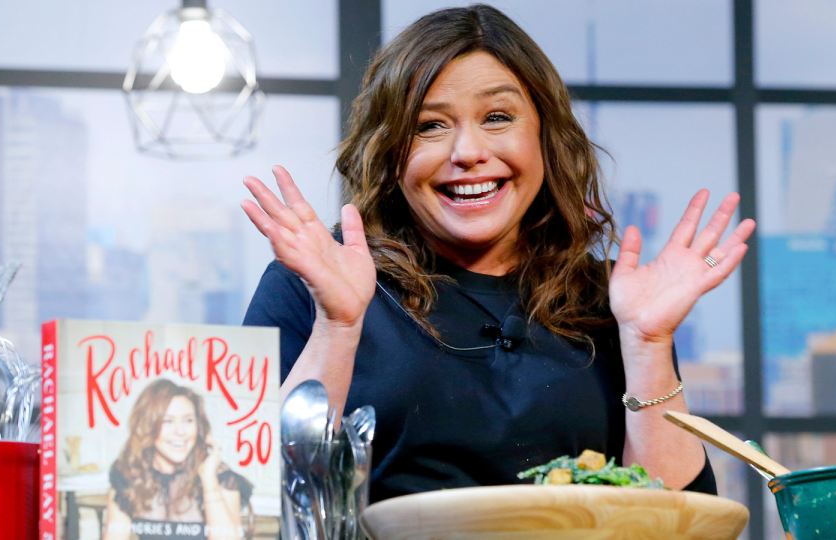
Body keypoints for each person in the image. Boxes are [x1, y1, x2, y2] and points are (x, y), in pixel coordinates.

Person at [242, 4, 755, 502]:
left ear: (545, 138)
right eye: (430, 125)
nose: (467, 152)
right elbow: (251, 494)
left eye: (497, 117)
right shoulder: (312, 284)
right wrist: (337, 324)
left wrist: (647, 342)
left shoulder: (613, 302)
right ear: (390, 149)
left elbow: (670, 520)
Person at [105, 379, 252, 540]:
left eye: (188, 420)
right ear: (147, 426)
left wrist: (208, 480)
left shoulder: (222, 480)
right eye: (167, 421)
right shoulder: (129, 475)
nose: (180, 431)